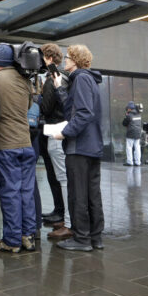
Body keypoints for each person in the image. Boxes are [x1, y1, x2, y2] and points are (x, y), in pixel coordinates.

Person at [52, 44, 104, 252]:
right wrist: (60, 89)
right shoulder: (88, 79)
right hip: (91, 145)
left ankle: (82, 238)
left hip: (79, 147)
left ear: (75, 60)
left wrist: (64, 132)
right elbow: (74, 110)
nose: (65, 60)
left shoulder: (81, 79)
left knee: (78, 194)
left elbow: (82, 113)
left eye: (67, 57)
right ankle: (95, 237)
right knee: (92, 194)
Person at [0, 44, 36, 253]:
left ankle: (11, 240)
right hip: (26, 143)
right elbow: (27, 107)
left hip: (5, 145)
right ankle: (28, 236)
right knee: (26, 191)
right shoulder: (25, 81)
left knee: (9, 193)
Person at [39, 43, 71, 240]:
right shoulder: (64, 76)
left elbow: (47, 107)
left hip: (55, 130)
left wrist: (37, 102)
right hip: (61, 129)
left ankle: (64, 217)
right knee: (60, 176)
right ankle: (62, 214)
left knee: (60, 177)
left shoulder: (53, 79)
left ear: (48, 58)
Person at [123, 101, 142, 166]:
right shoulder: (139, 114)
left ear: (130, 108)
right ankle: (138, 162)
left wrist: (126, 116)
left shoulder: (129, 115)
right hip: (138, 133)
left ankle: (130, 162)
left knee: (129, 147)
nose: (127, 109)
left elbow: (124, 123)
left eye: (127, 108)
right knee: (137, 147)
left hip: (131, 133)